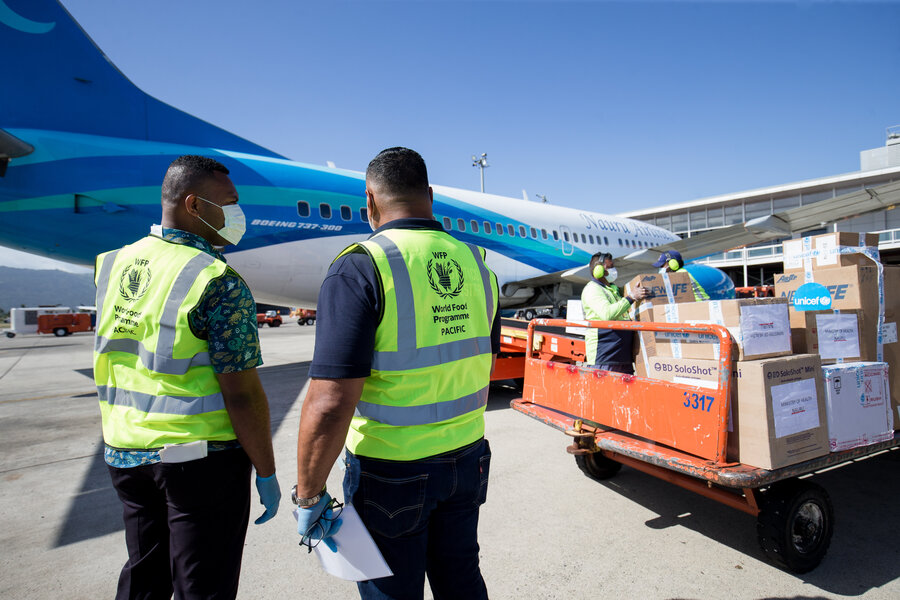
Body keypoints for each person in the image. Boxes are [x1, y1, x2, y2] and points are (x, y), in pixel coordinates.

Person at [294, 147, 500, 599]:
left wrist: (308, 494)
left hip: (392, 471)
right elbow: (486, 355)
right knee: (462, 579)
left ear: (369, 201)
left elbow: (330, 401)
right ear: (429, 194)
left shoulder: (361, 266)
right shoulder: (478, 264)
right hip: (467, 458)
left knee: (392, 591)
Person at [93, 155, 280, 600]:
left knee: (143, 578)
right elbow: (242, 393)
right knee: (203, 587)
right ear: (194, 205)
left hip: (125, 453)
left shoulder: (111, 264)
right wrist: (266, 470)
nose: (238, 215)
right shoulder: (217, 278)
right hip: (198, 461)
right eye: (231, 204)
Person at [580, 252, 650, 374]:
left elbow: (622, 313)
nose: (614, 270)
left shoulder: (613, 289)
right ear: (599, 270)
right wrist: (631, 297)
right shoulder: (592, 289)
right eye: (610, 267)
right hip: (605, 354)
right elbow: (607, 314)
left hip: (621, 355)